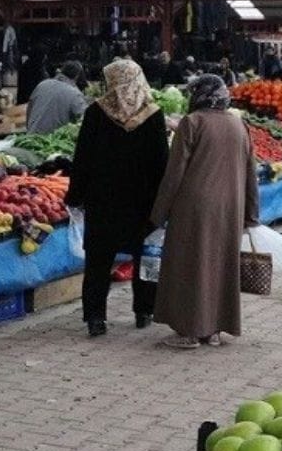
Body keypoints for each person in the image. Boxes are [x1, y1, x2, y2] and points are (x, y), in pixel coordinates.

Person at [150, 74, 260, 349]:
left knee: (190, 265)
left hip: (195, 207)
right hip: (230, 207)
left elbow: (174, 173)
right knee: (220, 265)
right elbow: (251, 173)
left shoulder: (192, 122)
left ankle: (189, 332)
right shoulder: (239, 124)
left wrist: (158, 213)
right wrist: (251, 214)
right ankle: (213, 330)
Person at [65, 59, 168, 338]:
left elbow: (82, 159)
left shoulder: (96, 113)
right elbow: (162, 164)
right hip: (142, 203)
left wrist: (75, 196)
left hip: (103, 201)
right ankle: (144, 311)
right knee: (143, 257)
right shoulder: (154, 115)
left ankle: (96, 318)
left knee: (98, 262)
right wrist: (163, 205)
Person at [26, 61, 88, 134]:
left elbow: (29, 108)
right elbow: (86, 119)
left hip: (30, 136)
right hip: (51, 141)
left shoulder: (43, 84)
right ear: (77, 76)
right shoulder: (75, 93)